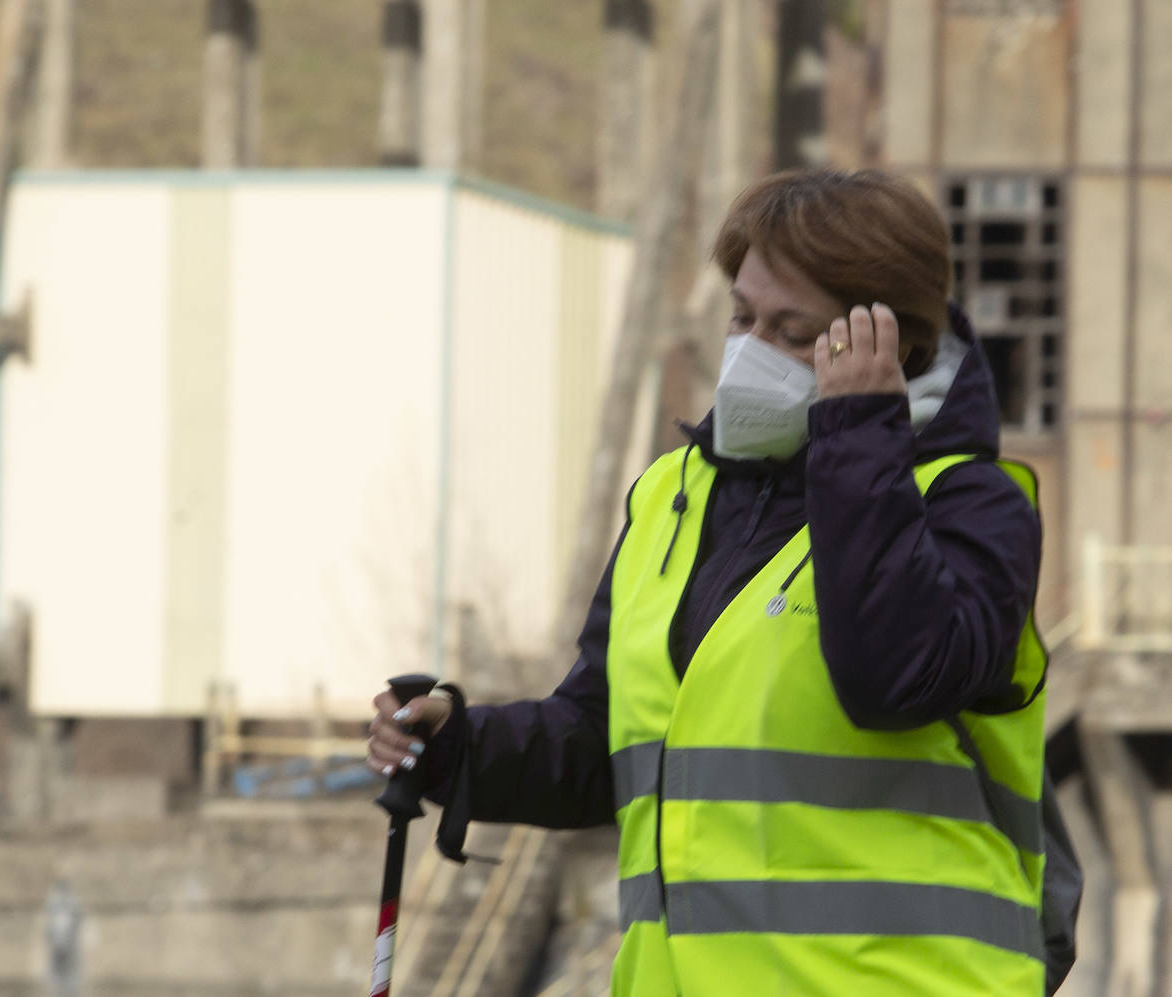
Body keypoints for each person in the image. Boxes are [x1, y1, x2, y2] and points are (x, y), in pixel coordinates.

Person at [367, 169, 1057, 995]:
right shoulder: (674, 497)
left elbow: (895, 676)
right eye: (741, 317)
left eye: (792, 330)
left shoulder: (971, 504)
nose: (751, 349)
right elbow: (607, 738)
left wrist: (857, 434)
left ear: (890, 347)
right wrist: (459, 745)